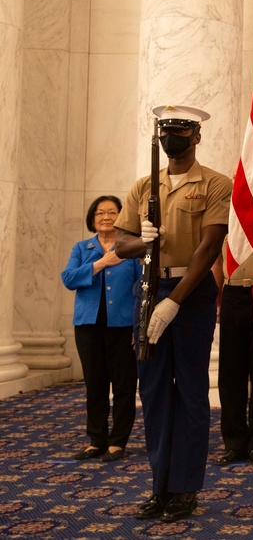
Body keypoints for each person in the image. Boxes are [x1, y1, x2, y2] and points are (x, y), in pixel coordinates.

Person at [115, 104, 232, 523]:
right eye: (167, 131)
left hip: (191, 292)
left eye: (181, 131)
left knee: (191, 393)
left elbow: (209, 248)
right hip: (148, 288)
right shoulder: (144, 185)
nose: (173, 138)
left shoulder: (217, 184)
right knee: (154, 392)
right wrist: (142, 239)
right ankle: (160, 485)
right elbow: (121, 245)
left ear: (196, 136)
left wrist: (175, 301)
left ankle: (185, 488)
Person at [61, 195, 142, 463]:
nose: (106, 217)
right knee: (94, 384)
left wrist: (138, 325)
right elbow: (68, 278)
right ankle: (96, 439)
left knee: (123, 385)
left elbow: (143, 289)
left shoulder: (131, 249)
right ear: (92, 219)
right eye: (100, 213)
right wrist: (100, 263)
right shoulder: (82, 248)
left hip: (123, 327)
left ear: (122, 216)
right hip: (88, 326)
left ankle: (118, 441)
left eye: (112, 212)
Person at [214, 240, 253, 467]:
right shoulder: (225, 214)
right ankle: (234, 442)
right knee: (230, 375)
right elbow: (217, 261)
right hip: (232, 292)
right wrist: (215, 299)